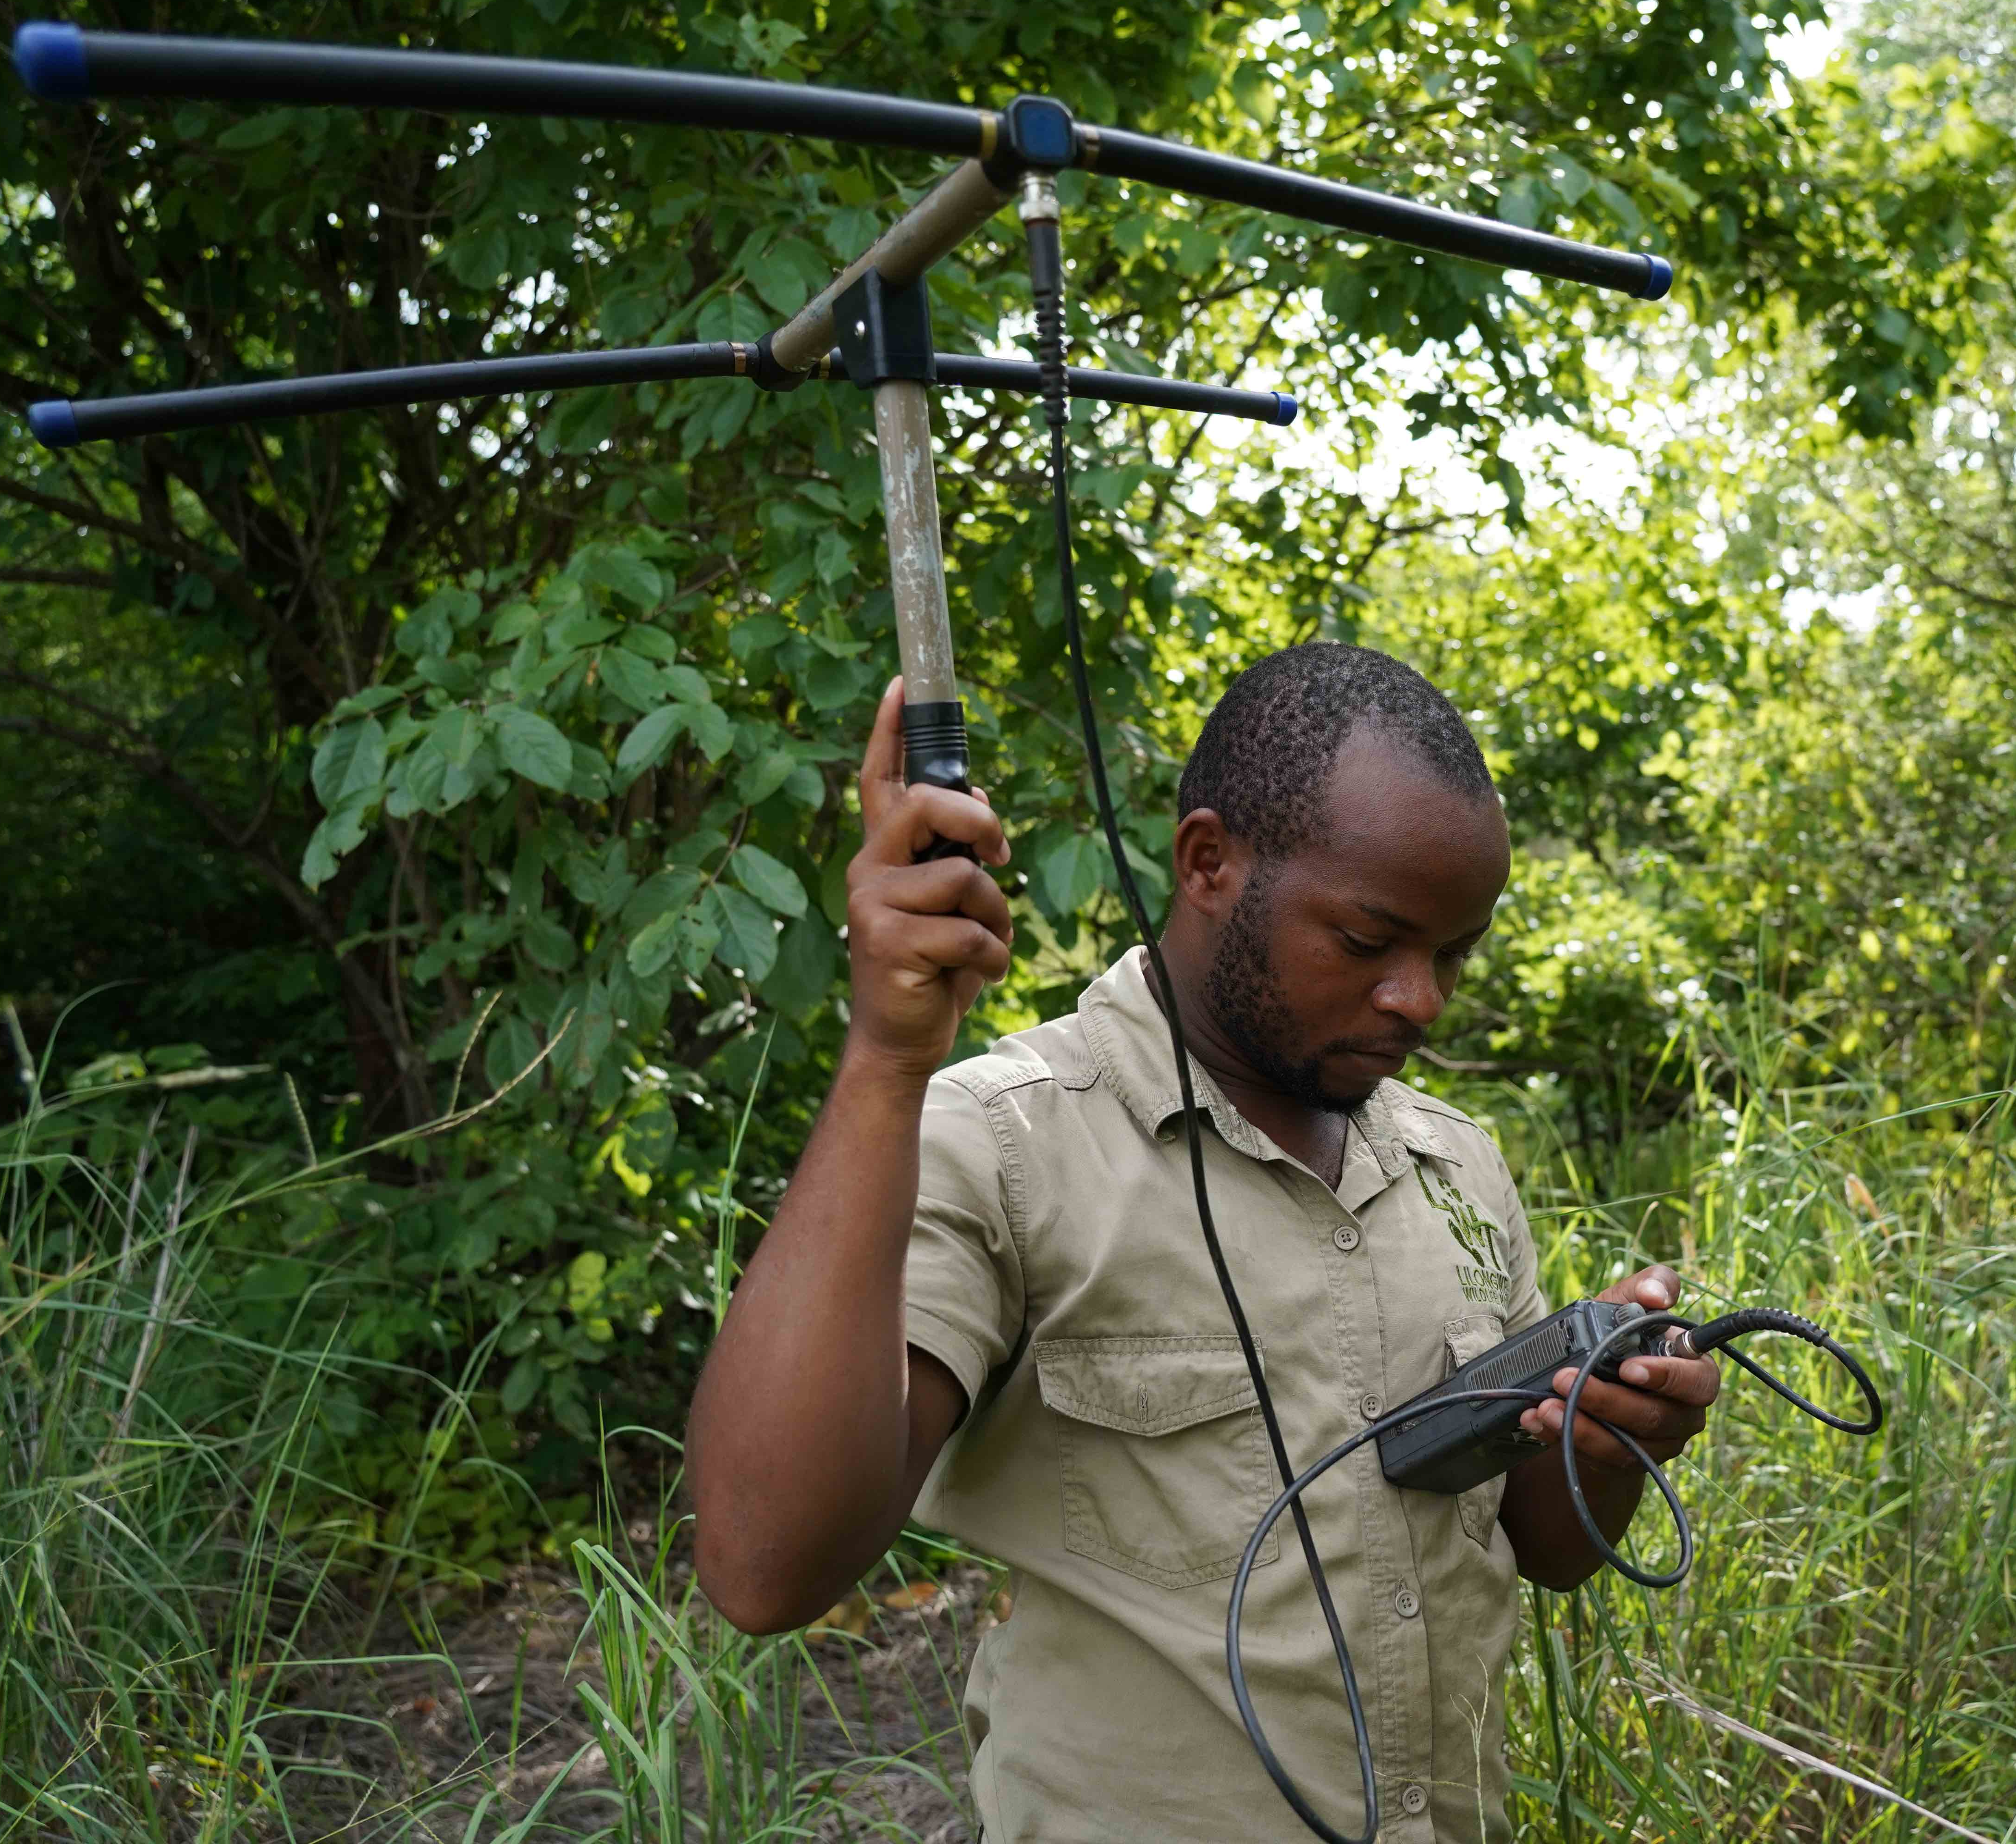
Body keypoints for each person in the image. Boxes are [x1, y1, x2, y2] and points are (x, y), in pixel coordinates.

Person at [687, 644, 1724, 1841]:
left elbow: (1535, 1549)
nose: (1421, 1000)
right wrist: (886, 1060)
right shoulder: (1002, 1143)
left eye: (1453, 955)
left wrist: (1606, 1442)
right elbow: (764, 1569)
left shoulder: (1457, 1168)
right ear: (1209, 863)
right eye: (1368, 939)